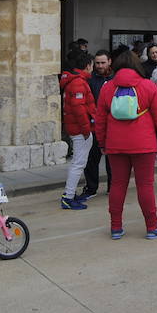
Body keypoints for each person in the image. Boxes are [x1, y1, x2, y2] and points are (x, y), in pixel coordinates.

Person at [96, 51, 157, 240]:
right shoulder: (148, 86)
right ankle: (152, 226)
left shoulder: (108, 88)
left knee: (117, 184)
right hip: (143, 144)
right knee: (145, 185)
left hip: (115, 144)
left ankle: (115, 228)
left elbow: (100, 120)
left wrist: (102, 142)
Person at [60, 53, 97, 210]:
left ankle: (69, 194)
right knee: (78, 163)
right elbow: (79, 109)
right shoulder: (78, 83)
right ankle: (68, 197)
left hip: (77, 129)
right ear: (88, 65)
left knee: (77, 162)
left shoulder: (77, 81)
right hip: (81, 130)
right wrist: (86, 130)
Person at [82, 50, 114, 199]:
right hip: (95, 125)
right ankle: (91, 188)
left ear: (109, 62)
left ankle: (113, 187)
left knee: (113, 160)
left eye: (103, 62)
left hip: (113, 124)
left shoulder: (115, 79)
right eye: (97, 63)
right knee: (92, 158)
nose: (100, 66)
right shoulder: (90, 80)